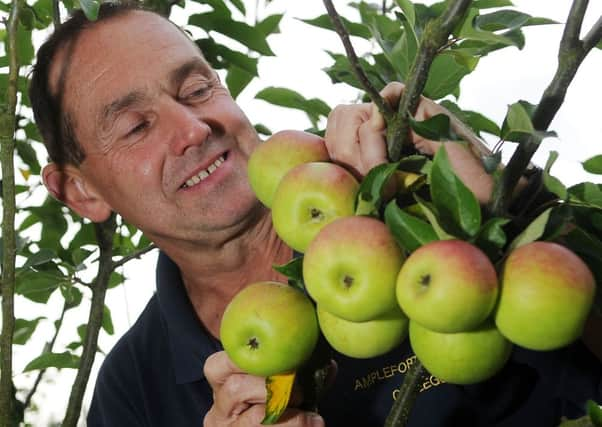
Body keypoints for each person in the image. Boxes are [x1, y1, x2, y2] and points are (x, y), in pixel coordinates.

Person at [28, 3, 600, 427]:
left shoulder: (416, 209)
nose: (194, 128)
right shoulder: (134, 392)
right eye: (136, 126)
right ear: (79, 192)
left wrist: (510, 205)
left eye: (199, 88)